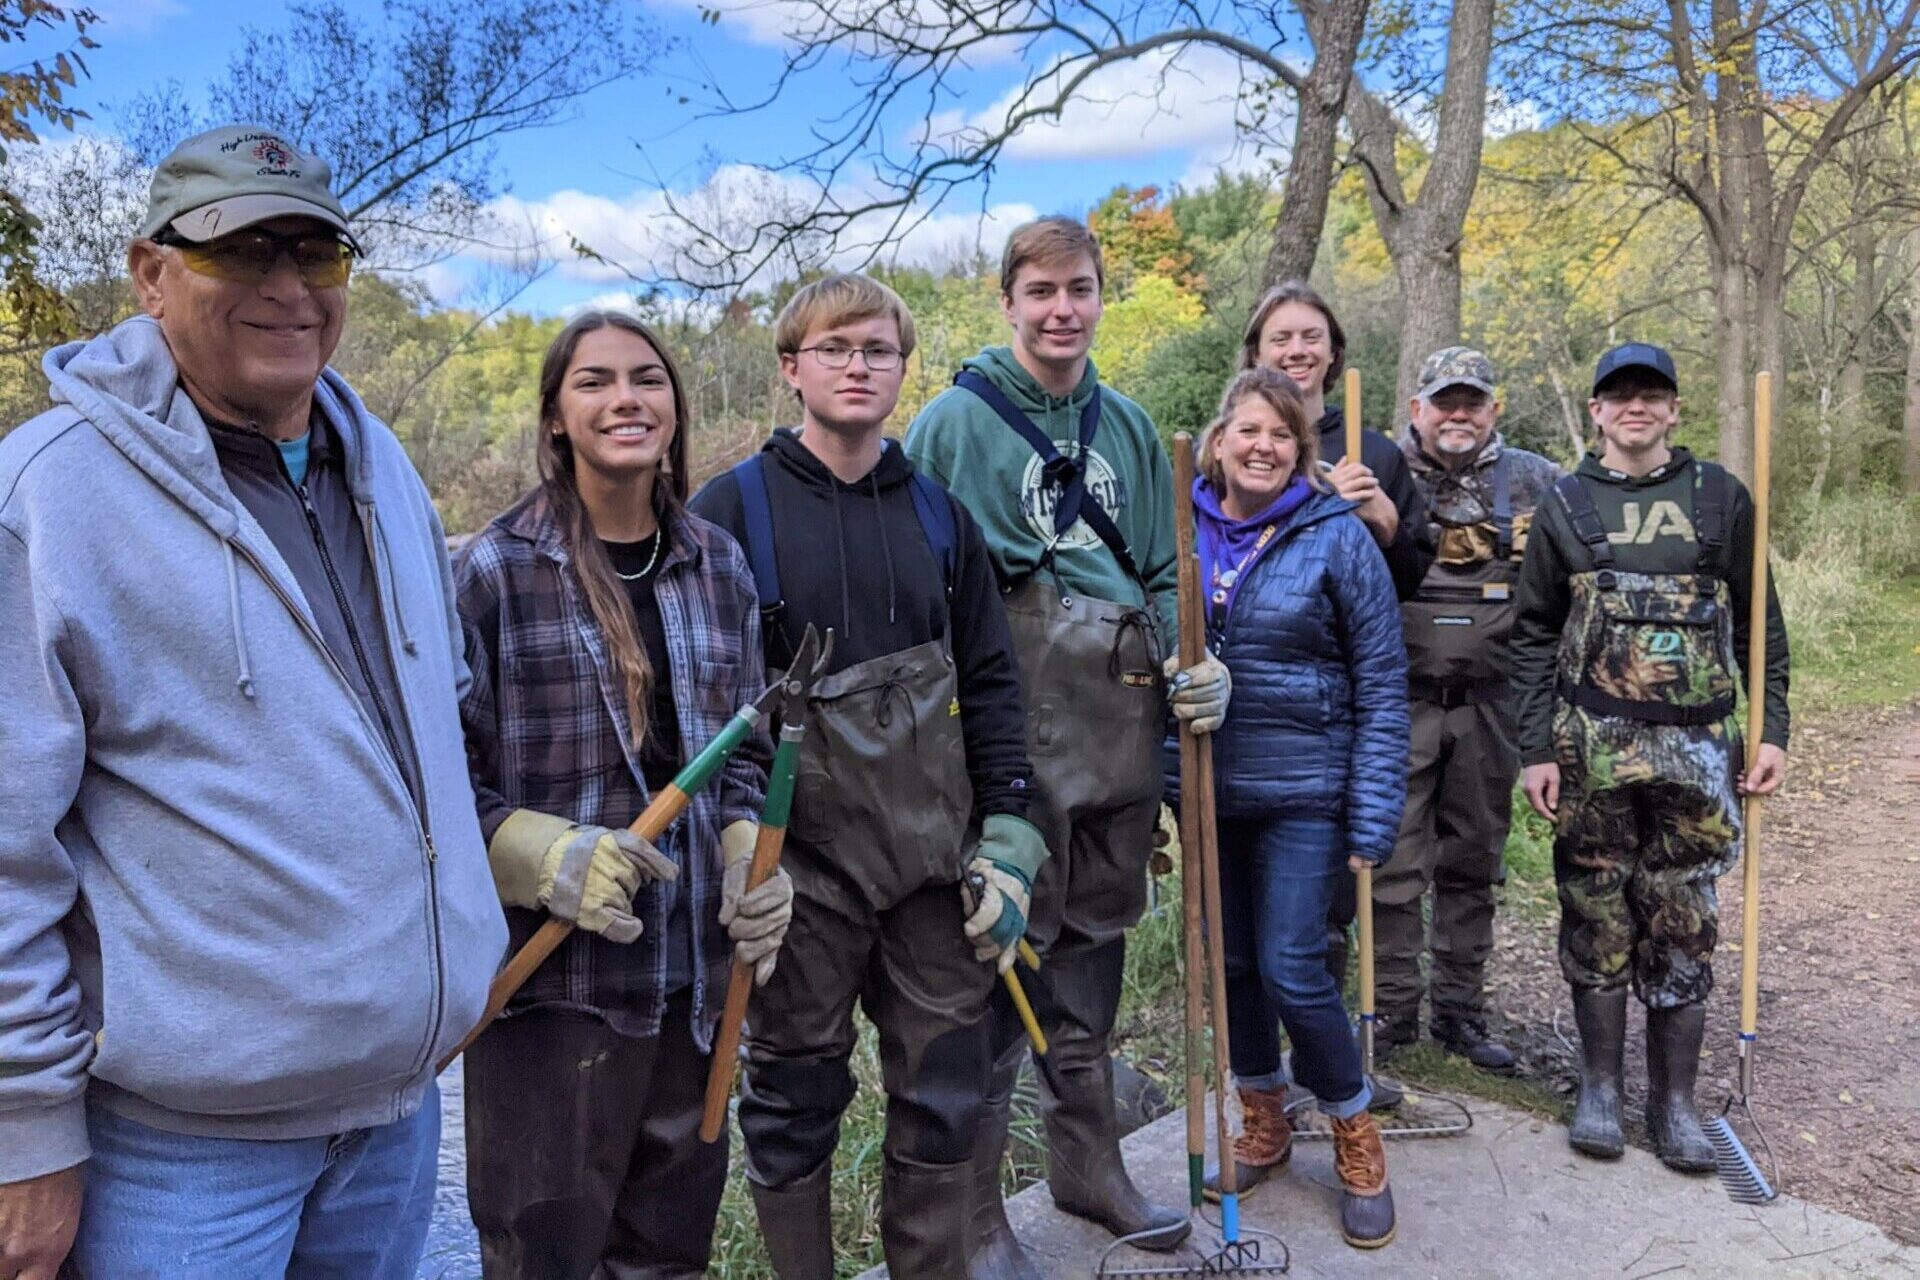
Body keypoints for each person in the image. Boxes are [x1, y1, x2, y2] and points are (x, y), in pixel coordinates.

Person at [0, 124, 507, 1279]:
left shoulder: (381, 465)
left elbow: (419, 735)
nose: (287, 287)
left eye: (315, 255)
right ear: (150, 271)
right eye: (244, 251)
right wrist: (24, 1132)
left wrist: (476, 905)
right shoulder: (50, 497)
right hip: (178, 1157)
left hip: (392, 1119)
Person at [690, 273, 1039, 1279]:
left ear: (901, 367)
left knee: (945, 1088)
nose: (857, 365)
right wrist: (736, 847)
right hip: (796, 875)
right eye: (835, 348)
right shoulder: (729, 512)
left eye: (878, 349)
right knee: (793, 1102)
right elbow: (706, 702)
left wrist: (1010, 834)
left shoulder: (941, 515)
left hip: (934, 873)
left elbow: (992, 678)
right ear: (792, 367)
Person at [908, 215, 1226, 1270]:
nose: (1061, 309)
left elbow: (1166, 570)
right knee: (1001, 964)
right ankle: (976, 1214)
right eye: (1040, 291)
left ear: (1100, 297)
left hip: (1121, 726)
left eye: (1079, 289)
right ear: (1007, 301)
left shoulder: (1131, 425)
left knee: (1094, 946)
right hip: (1007, 727)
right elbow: (925, 589)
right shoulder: (954, 422)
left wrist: (1195, 660)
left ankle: (1087, 1166)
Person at [455, 311, 786, 1277]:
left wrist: (743, 851)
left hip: (695, 991)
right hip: (550, 1000)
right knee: (541, 1256)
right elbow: (433, 782)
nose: (625, 399)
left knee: (667, 1255)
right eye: (594, 382)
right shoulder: (495, 571)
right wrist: (534, 853)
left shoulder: (716, 563)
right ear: (556, 417)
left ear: (676, 407)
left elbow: (746, 753)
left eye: (646, 378)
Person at [1511, 342, 1789, 1171]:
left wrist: (1771, 731)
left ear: (1674, 409)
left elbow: (1759, 627)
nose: (1636, 407)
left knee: (1684, 914)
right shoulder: (1564, 504)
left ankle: (1674, 1103)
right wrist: (1535, 748)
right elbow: (1530, 635)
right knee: (1596, 904)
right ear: (1596, 411)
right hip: (1592, 746)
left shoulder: (1722, 499)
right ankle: (1599, 1088)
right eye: (1619, 395)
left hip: (1699, 753)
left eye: (1652, 395)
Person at [1181, 367, 1408, 1249]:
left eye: (1280, 434)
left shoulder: (1333, 534)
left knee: (1291, 966)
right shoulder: (1182, 527)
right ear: (1219, 441)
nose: (1263, 446)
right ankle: (1264, 1119)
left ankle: (1353, 1125)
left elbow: (1383, 682)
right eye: (1248, 431)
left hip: (1306, 788)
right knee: (1231, 963)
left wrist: (1374, 807)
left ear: (1300, 450)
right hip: (1207, 789)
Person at [1239, 282, 1432, 1009]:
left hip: (1345, 698)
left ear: (1332, 351)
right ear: (1257, 354)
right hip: (1260, 702)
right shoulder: (1243, 442)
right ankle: (1257, 1050)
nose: (1297, 350)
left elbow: (1411, 572)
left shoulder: (1374, 452)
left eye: (1310, 337)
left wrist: (1382, 516)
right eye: (1280, 338)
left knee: (1330, 891)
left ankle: (1330, 1036)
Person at [1373, 348, 1562, 1069]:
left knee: (1474, 861)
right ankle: (1391, 1013)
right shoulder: (1383, 471)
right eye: (1444, 402)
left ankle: (1460, 1013)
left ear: (1493, 410)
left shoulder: (1538, 482)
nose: (1458, 415)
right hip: (1399, 703)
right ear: (1417, 408)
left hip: (1490, 708)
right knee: (1391, 859)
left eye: (1472, 402)